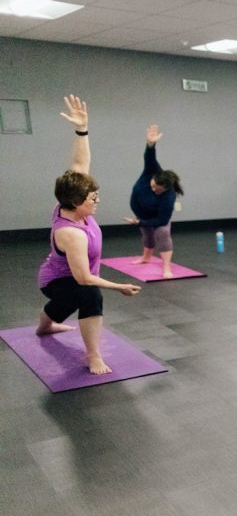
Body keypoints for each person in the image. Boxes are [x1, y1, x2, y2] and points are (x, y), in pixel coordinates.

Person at [36, 95, 141, 374]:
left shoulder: (69, 200)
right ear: (75, 201)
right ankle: (93, 355)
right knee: (89, 294)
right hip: (57, 279)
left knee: (74, 298)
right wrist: (119, 286)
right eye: (92, 198)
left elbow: (80, 163)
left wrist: (82, 129)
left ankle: (45, 325)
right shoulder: (71, 234)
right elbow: (83, 278)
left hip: (72, 275)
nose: (97, 201)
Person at [123, 124, 184, 279]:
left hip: (156, 216)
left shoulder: (169, 195)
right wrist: (151, 143)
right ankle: (146, 258)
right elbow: (149, 156)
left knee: (162, 233)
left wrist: (140, 223)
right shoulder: (152, 170)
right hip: (141, 212)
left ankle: (166, 267)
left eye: (158, 190)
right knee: (147, 235)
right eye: (153, 186)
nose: (154, 190)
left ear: (166, 189)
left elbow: (162, 219)